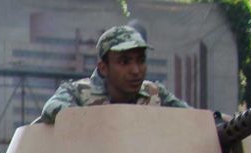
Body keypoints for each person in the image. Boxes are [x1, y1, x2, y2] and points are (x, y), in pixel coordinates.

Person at [36, 24, 191, 124]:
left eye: (141, 60)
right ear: (104, 68)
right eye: (124, 62)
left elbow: (193, 119)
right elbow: (51, 110)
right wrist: (95, 122)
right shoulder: (77, 93)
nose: (136, 70)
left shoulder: (155, 94)